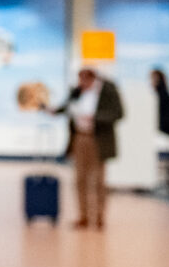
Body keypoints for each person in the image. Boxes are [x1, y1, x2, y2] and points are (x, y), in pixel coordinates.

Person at [52, 65, 123, 230]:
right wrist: (53, 111)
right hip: (80, 138)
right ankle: (83, 216)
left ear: (93, 79)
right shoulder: (77, 91)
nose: (82, 84)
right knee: (80, 179)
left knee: (98, 180)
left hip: (98, 139)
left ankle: (99, 216)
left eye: (84, 80)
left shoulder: (108, 91)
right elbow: (66, 107)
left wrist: (95, 118)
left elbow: (119, 113)